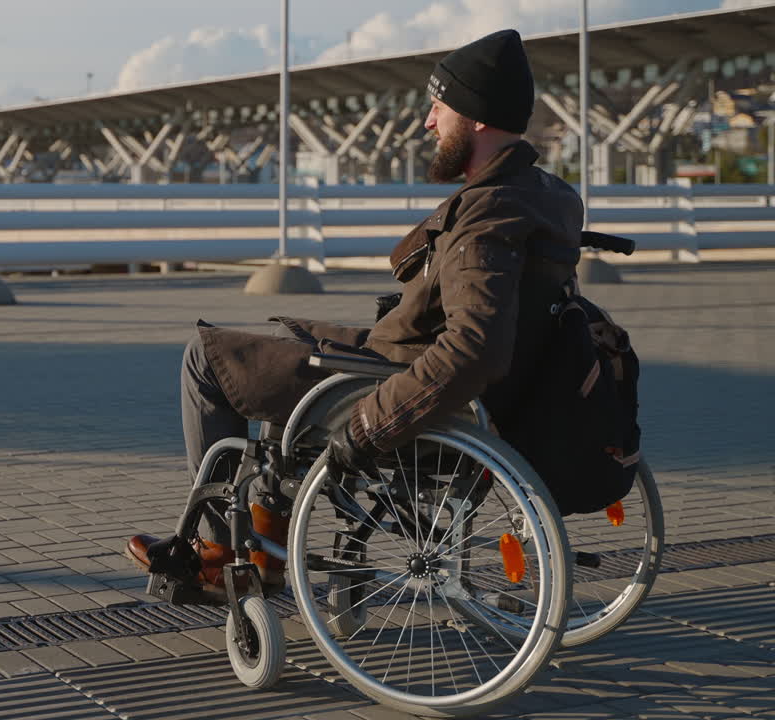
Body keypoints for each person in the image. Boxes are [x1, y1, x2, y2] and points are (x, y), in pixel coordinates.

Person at [127, 29, 584, 595]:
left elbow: (474, 347)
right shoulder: (545, 195)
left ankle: (223, 553)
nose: (428, 123)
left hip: (400, 390)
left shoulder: (488, 213)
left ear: (477, 118)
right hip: (439, 378)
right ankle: (262, 548)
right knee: (285, 350)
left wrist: (372, 425)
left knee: (206, 357)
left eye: (439, 108)